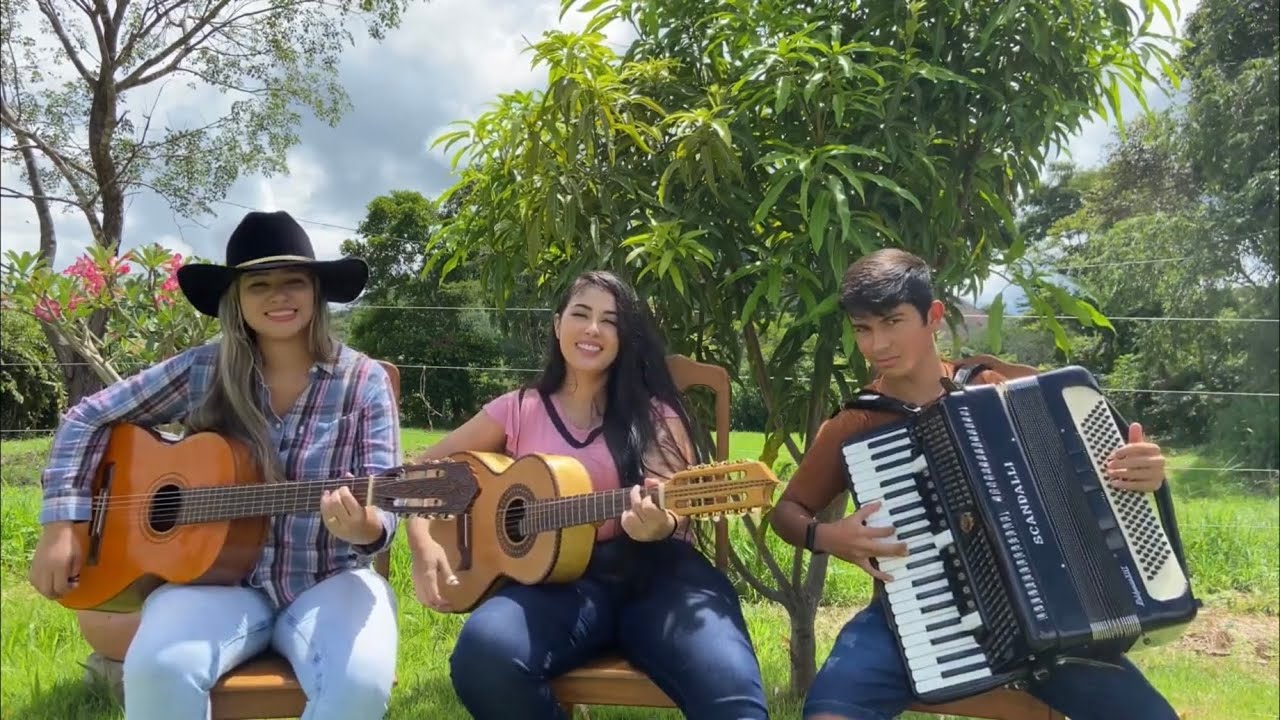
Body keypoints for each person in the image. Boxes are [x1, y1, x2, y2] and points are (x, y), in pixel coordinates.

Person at [770, 248, 1179, 720]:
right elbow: (788, 509)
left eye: (892, 321)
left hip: (1046, 617)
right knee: (828, 714)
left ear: (934, 317)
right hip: (914, 616)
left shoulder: (997, 387)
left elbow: (1094, 474)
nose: (877, 344)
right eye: (863, 328)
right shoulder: (858, 421)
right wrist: (828, 536)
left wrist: (1141, 471)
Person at [27, 211, 403, 720]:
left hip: (329, 579)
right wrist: (63, 525)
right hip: (214, 585)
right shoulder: (206, 366)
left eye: (294, 281)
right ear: (237, 299)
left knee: (358, 682)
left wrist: (367, 526)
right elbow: (86, 417)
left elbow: (387, 496)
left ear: (316, 291)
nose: (278, 296)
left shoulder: (363, 382)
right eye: (259, 284)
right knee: (160, 667)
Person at [406, 270, 768, 720]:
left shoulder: (656, 414)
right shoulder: (518, 408)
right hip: (557, 584)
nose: (593, 329)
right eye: (581, 314)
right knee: (484, 655)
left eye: (610, 321)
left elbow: (678, 511)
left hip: (661, 577)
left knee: (729, 688)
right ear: (557, 325)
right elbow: (422, 473)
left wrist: (663, 522)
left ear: (624, 337)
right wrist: (422, 546)